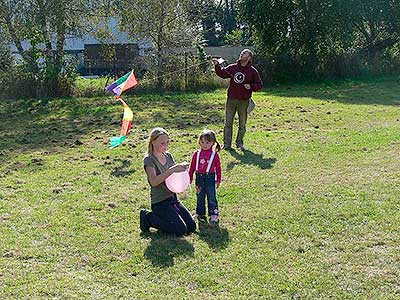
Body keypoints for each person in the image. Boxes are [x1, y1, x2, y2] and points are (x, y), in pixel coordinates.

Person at [140, 127, 196, 236]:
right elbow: (154, 182)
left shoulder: (168, 156)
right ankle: (148, 217)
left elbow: (174, 176)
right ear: (153, 142)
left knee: (191, 227)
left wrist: (182, 172)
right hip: (160, 202)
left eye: (167, 142)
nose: (165, 145)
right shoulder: (149, 160)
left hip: (173, 199)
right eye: (162, 143)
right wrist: (172, 170)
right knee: (180, 230)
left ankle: (171, 217)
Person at [213, 49, 263, 151]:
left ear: (249, 57)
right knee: (228, 123)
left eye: (245, 53)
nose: (241, 54)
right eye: (242, 52)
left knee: (242, 124)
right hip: (231, 100)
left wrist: (251, 86)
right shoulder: (233, 67)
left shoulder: (253, 71)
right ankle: (227, 145)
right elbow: (222, 74)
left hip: (244, 101)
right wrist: (217, 65)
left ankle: (239, 143)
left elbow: (259, 85)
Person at [188, 129, 222, 223]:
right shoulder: (196, 154)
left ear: (213, 143)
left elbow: (218, 168)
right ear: (199, 141)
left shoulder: (214, 155)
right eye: (202, 142)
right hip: (199, 178)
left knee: (211, 196)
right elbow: (192, 168)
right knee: (200, 196)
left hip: (210, 178)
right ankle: (200, 213)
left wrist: (218, 179)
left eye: (207, 142)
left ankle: (213, 214)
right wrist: (189, 178)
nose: (204, 144)